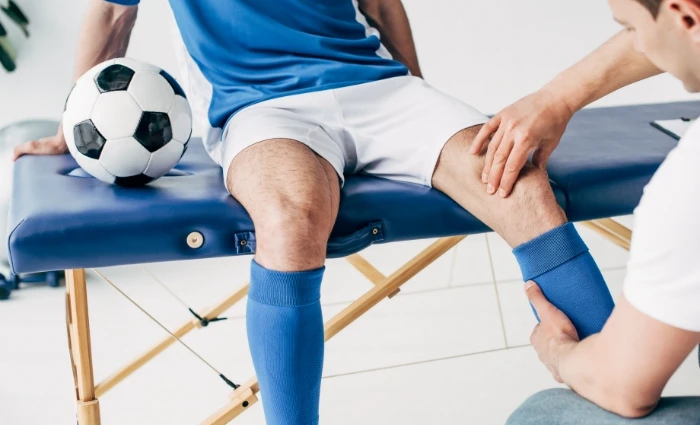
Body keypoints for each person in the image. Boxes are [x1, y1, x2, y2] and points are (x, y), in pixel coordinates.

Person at [14, 1, 617, 424]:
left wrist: (419, 98)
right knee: (290, 216)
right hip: (261, 105)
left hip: (381, 89)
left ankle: (618, 384)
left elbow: (381, 2)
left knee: (518, 180)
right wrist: (75, 127)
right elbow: (113, 12)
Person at [499, 0, 700, 423]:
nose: (639, 46)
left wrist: (558, 349)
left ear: (686, 16)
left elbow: (623, 390)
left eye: (630, 28)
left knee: (541, 415)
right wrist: (557, 97)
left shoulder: (688, 179)